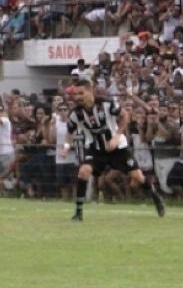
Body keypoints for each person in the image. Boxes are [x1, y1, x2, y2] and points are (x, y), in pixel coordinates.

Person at [67, 79, 166, 221]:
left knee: (137, 177)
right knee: (84, 172)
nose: (78, 97)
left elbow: (125, 115)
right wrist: (66, 146)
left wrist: (117, 136)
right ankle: (78, 212)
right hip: (96, 149)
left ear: (90, 91)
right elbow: (69, 131)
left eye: (81, 93)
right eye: (76, 94)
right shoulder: (76, 113)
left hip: (117, 147)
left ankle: (156, 196)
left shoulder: (106, 104)